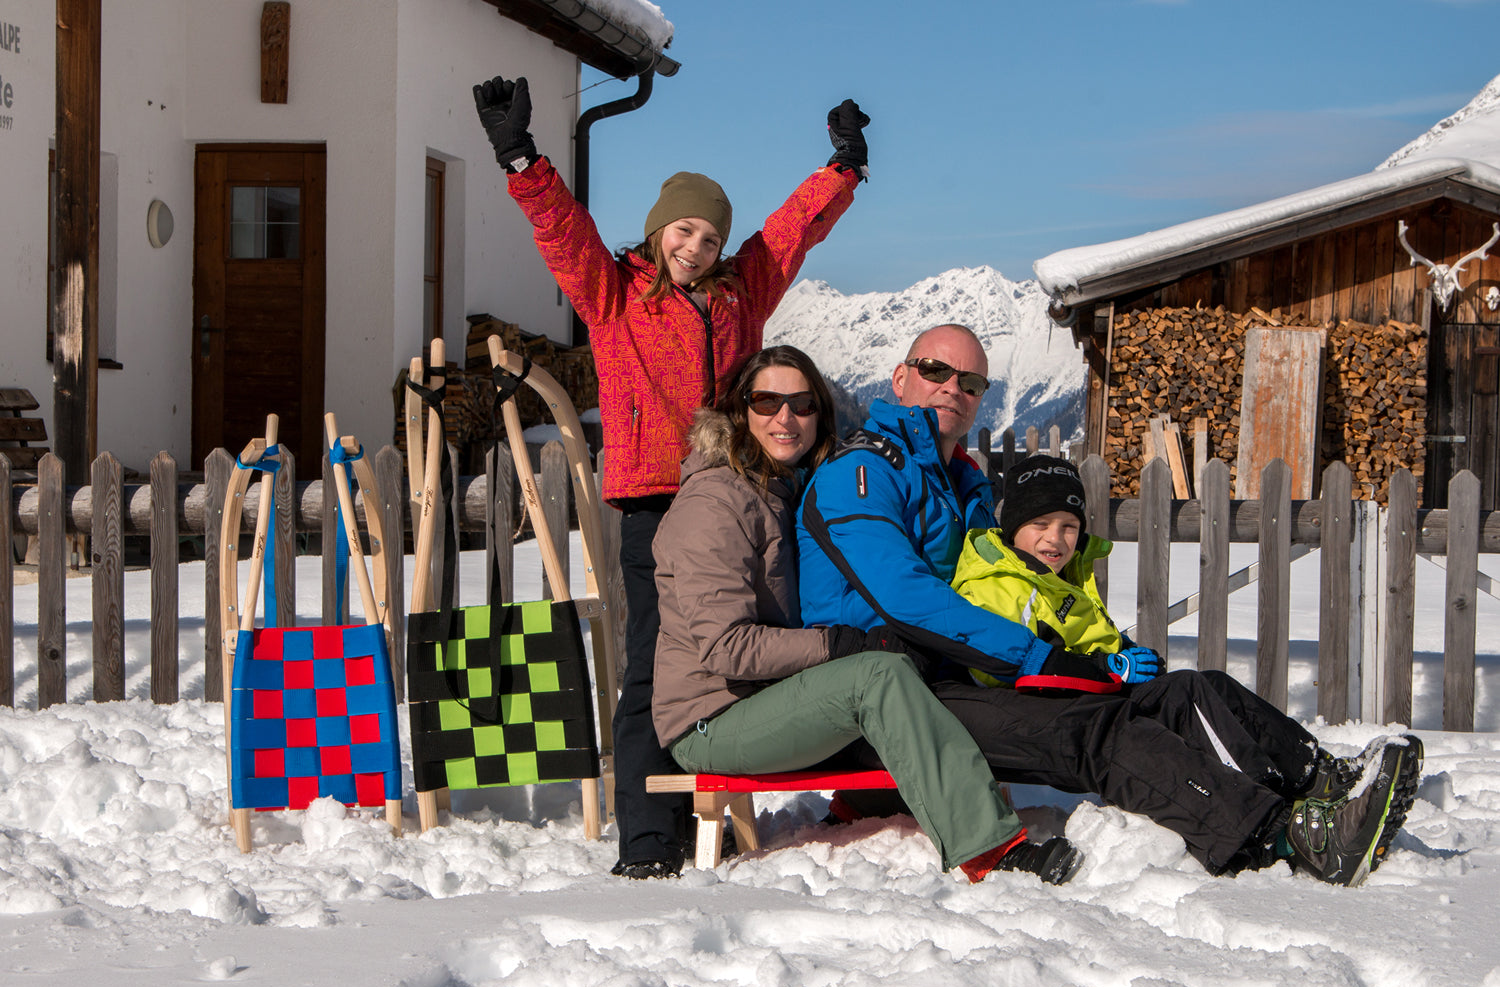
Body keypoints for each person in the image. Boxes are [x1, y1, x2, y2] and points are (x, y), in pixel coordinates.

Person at [797, 324, 1423, 886]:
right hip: (884, 700)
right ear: (900, 376)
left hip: (956, 674)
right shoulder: (860, 473)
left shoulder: (964, 483)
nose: (952, 388)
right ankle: (1288, 836)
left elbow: (1022, 588)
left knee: (1182, 692)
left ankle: (1323, 779)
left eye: (971, 381)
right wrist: (1042, 657)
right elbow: (908, 600)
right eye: (935, 371)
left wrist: (1098, 651)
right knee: (1094, 731)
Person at [474, 75, 868, 878]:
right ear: (659, 231)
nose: (696, 247)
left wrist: (845, 169)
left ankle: (713, 809)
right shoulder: (613, 293)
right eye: (684, 231)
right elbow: (563, 233)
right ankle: (649, 838)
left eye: (711, 239)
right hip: (656, 504)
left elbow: (791, 233)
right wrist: (521, 156)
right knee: (657, 661)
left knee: (744, 653)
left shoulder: (740, 296)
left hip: (741, 500)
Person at [651, 345, 1082, 884]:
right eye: (766, 402)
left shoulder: (781, 491)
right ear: (740, 413)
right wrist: (840, 645)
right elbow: (725, 648)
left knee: (900, 660)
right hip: (711, 719)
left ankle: (865, 807)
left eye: (803, 404)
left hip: (762, 701)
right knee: (876, 674)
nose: (786, 417)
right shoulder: (713, 505)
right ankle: (987, 849)